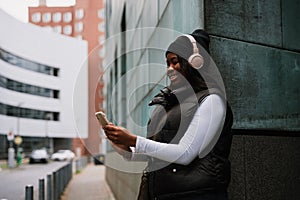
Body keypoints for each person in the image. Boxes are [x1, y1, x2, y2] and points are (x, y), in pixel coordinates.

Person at [103, 29, 233, 200]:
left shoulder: (212, 100)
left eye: (175, 62)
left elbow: (186, 153)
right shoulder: (172, 104)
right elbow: (162, 153)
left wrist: (135, 140)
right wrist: (127, 150)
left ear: (195, 62)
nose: (169, 69)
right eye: (167, 64)